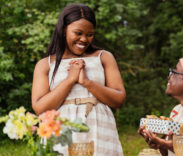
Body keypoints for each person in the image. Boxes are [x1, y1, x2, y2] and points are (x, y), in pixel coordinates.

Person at [31, 4, 125, 156]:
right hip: (61, 134)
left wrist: (87, 82)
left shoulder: (103, 57)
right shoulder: (45, 64)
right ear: (64, 30)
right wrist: (70, 79)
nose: (84, 39)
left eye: (89, 34)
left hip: (100, 132)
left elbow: (119, 99)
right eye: (78, 33)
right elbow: (40, 109)